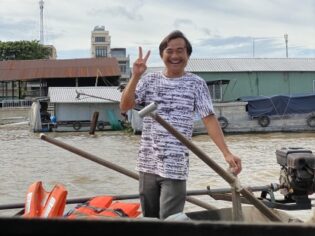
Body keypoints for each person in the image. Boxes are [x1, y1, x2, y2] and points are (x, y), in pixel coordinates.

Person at [120, 30, 242, 219]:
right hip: (147, 163)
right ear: (162, 55)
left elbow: (209, 119)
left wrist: (226, 153)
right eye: (170, 51)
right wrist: (135, 76)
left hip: (175, 165)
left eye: (180, 51)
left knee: (171, 221)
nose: (175, 56)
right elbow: (125, 106)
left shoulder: (196, 84)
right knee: (149, 220)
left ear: (188, 55)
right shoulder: (149, 80)